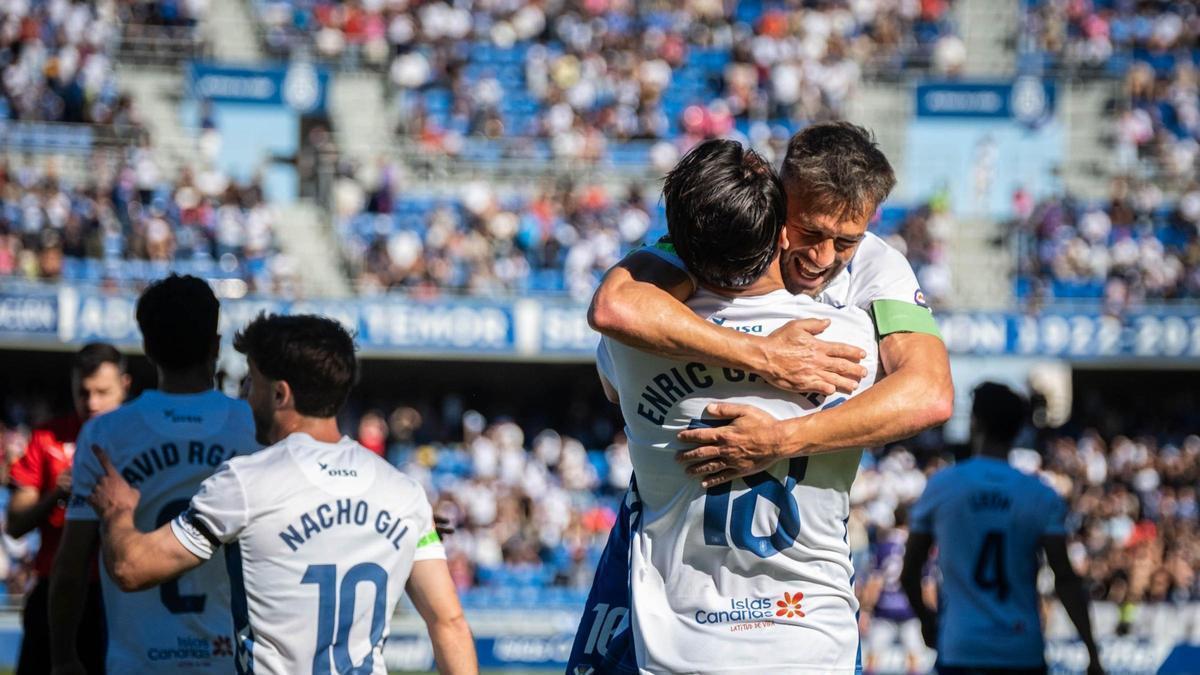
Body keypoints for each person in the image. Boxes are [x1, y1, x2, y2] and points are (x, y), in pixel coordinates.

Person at [570, 122, 953, 670]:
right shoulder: (851, 341)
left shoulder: (877, 265)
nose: (824, 257)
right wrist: (763, 356)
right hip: (808, 637)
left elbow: (932, 392)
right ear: (776, 201)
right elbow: (615, 307)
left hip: (695, 635)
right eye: (809, 231)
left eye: (845, 240)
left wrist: (780, 438)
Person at [86, 313, 478, 675]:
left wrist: (118, 511)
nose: (244, 396)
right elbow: (449, 623)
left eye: (251, 382)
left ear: (280, 394)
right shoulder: (405, 494)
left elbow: (130, 569)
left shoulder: (245, 482)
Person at [49, 275, 260, 675]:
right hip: (230, 662)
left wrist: (62, 658)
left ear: (146, 348)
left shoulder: (104, 434)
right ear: (215, 346)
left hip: (138, 661)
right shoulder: (253, 426)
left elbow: (70, 568)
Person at [901, 383, 1103, 675]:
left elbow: (910, 573)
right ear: (1018, 429)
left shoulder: (943, 486)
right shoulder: (1039, 494)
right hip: (1021, 649)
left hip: (962, 646)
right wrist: (1091, 651)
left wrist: (927, 621)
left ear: (975, 422)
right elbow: (1066, 579)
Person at [7, 343, 130, 675]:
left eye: (102, 392)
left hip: (122, 590)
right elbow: (14, 524)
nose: (91, 403)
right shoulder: (47, 436)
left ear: (125, 386)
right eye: (83, 393)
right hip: (54, 589)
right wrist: (57, 493)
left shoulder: (141, 436)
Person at [859, 506, 929, 675]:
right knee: (915, 661)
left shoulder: (883, 546)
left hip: (885, 609)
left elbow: (875, 582)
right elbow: (926, 583)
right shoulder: (915, 545)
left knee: (872, 660)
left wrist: (866, 609)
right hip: (910, 609)